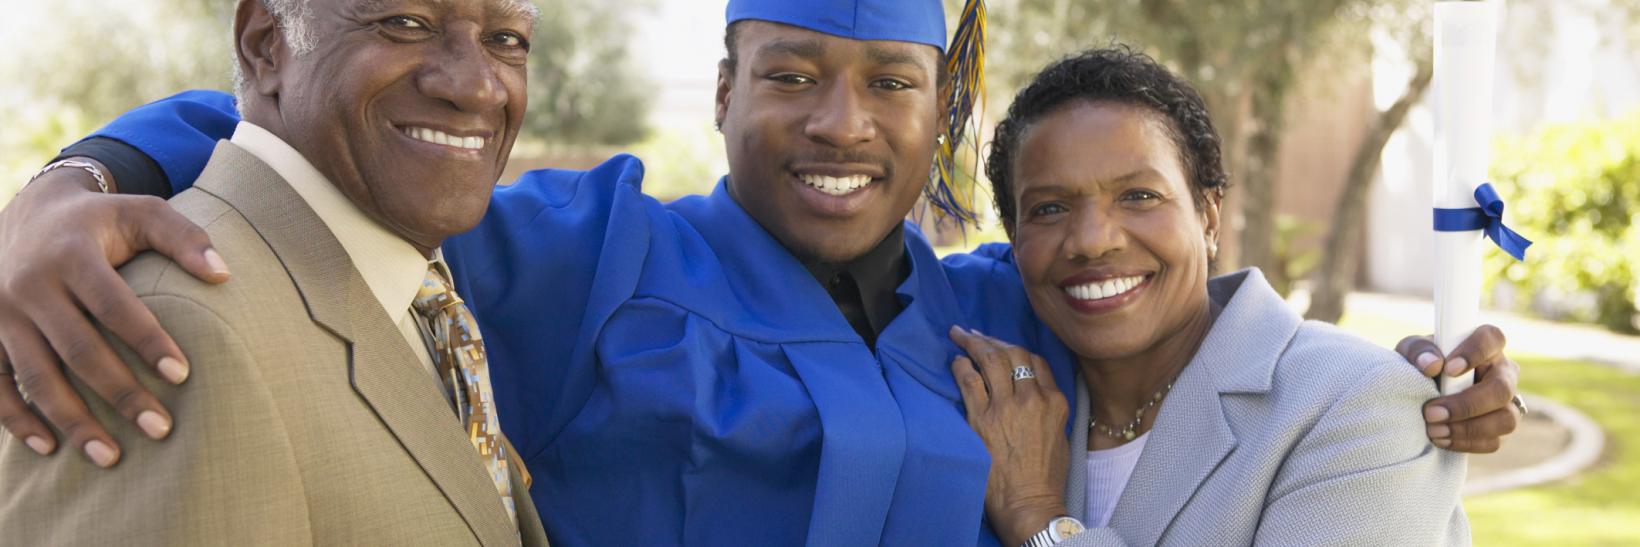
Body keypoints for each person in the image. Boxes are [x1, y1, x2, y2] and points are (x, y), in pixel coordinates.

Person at [0, 1, 1521, 545]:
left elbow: (1161, 310)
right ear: (721, 89)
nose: (839, 125)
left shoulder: (993, 307)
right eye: (790, 73)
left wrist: (1420, 387)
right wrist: (70, 185)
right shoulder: (585, 247)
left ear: (942, 112)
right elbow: (325, 128)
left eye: (888, 83)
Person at [0, 0, 550, 544]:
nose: (480, 88)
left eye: (507, 40)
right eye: (405, 24)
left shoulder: (424, 294)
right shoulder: (171, 324)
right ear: (265, 43)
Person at [945, 48, 1468, 546]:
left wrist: (1035, 516)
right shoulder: (1005, 396)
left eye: (1139, 196)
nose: (1091, 241)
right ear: (1014, 237)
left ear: (1209, 215)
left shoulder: (1354, 405)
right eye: (1050, 208)